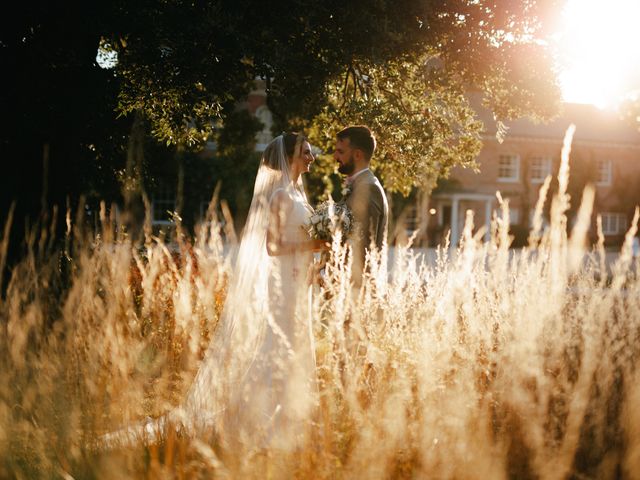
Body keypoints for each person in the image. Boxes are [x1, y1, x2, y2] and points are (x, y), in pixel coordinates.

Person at [334, 125, 389, 286]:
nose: (335, 156)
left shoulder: (368, 188)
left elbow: (364, 244)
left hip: (358, 288)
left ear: (357, 154)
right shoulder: (358, 185)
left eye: (341, 152)